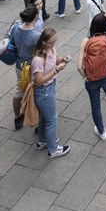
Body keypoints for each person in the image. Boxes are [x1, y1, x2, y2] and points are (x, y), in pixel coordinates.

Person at [31, 28, 71, 158]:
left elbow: (53, 60)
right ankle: (53, 149)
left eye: (55, 41)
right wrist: (56, 71)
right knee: (52, 119)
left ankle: (42, 141)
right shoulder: (38, 60)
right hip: (44, 92)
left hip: (50, 87)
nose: (53, 44)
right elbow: (40, 80)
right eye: (51, 42)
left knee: (45, 117)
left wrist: (61, 60)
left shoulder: (51, 50)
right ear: (43, 42)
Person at [12, 4, 42, 130]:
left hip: (19, 65)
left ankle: (17, 116)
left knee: (19, 90)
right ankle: (35, 120)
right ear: (35, 17)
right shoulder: (35, 35)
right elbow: (41, 53)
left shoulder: (15, 28)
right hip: (31, 68)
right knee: (34, 93)